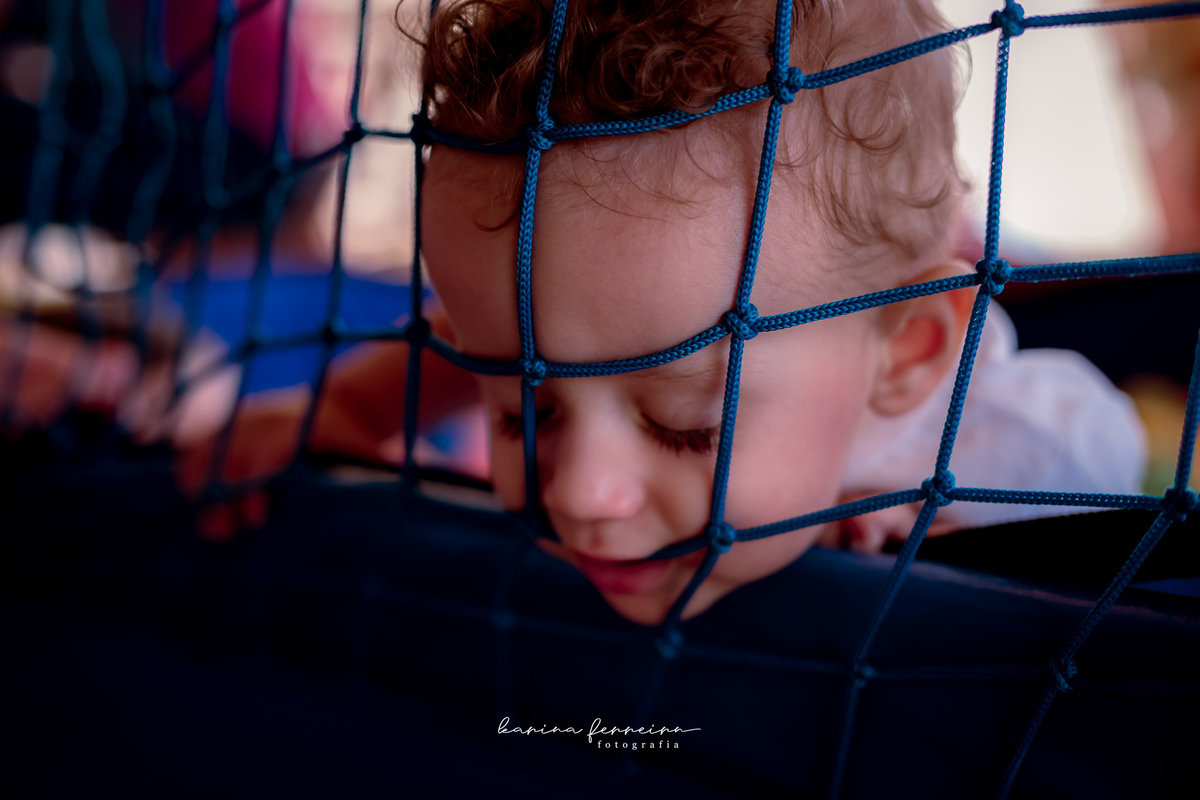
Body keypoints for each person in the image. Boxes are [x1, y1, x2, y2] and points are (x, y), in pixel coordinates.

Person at [403, 0, 1145, 625]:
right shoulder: (569, 331)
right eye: (521, 413)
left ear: (904, 353)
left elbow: (1108, 448)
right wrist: (355, 410)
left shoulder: (1014, 436)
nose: (582, 495)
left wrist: (949, 515)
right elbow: (446, 340)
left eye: (686, 430)